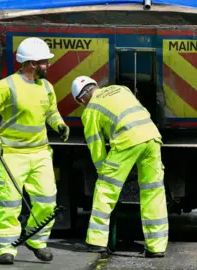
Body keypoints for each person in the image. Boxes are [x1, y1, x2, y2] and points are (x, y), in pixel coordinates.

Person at [0, 37, 70, 265]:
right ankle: (6, 248)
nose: (48, 66)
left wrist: (59, 124)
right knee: (9, 203)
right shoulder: (7, 86)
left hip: (40, 154)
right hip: (11, 153)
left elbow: (50, 112)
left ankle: (36, 240)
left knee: (47, 200)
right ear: (31, 63)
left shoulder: (46, 87)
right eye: (44, 62)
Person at [70, 76, 168, 258]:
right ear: (96, 85)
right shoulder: (121, 89)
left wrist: (103, 173)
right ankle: (156, 247)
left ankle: (96, 242)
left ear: (82, 100)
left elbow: (95, 146)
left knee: (105, 190)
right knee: (153, 192)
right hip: (152, 137)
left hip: (127, 142)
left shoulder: (90, 110)